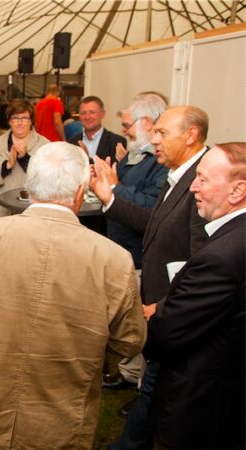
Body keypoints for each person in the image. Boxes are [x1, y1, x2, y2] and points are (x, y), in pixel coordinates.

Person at [0, 142, 146, 450]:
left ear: (29, 188)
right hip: (58, 422)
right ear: (80, 192)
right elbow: (129, 342)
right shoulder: (113, 259)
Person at [91, 106, 210, 450]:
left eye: (162, 133)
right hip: (160, 306)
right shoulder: (177, 175)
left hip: (172, 311)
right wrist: (109, 199)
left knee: (157, 390)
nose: (154, 140)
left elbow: (202, 260)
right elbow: (152, 225)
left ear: (190, 135)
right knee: (155, 386)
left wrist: (166, 304)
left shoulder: (200, 183)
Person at [145, 142, 245, 450]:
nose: (193, 188)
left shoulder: (220, 257)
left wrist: (154, 316)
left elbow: (167, 333)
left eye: (203, 179)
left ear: (237, 191)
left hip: (201, 406)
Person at [92, 95, 168, 395]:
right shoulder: (136, 154)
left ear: (146, 122)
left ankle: (139, 386)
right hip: (122, 250)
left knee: (138, 321)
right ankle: (128, 372)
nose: (124, 130)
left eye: (127, 125)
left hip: (139, 256)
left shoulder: (159, 163)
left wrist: (114, 186)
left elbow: (149, 210)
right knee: (125, 317)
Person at [0, 99, 49, 219]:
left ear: (31, 121)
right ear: (9, 121)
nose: (20, 123)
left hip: (31, 209)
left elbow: (51, 177)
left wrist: (25, 159)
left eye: (25, 118)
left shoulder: (44, 145)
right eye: (15, 118)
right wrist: (6, 166)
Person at [69, 96, 126, 162]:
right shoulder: (71, 143)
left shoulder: (116, 142)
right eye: (83, 113)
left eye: (92, 112)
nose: (87, 117)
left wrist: (87, 158)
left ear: (103, 114)